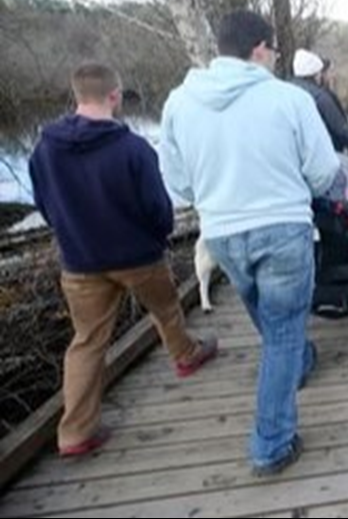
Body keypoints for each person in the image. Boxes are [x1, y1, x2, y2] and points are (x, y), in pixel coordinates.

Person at [158, 11, 342, 476]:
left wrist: (219, 196)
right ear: (259, 48)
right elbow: (324, 172)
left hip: (221, 234)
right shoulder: (288, 99)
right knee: (281, 330)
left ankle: (298, 360)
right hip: (282, 229)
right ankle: (271, 443)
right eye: (275, 49)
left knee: (269, 316)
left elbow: (178, 183)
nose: (276, 57)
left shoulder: (180, 103)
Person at [28, 63, 218, 458]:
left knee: (86, 342)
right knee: (166, 310)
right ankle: (185, 356)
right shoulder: (133, 149)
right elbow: (157, 210)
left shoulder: (44, 149)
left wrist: (71, 234)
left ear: (76, 95)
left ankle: (74, 434)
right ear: (114, 96)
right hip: (137, 257)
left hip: (79, 262)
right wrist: (156, 237)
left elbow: (44, 205)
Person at [290, 48, 348, 160]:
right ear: (317, 74)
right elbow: (340, 129)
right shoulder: (322, 97)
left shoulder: (286, 92)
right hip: (327, 154)